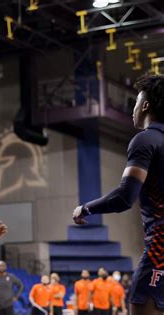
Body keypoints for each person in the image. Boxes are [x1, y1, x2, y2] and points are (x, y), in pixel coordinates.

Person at [72, 74, 164, 315]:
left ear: (145, 105)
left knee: (141, 305)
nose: (133, 107)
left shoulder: (146, 140)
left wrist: (86, 208)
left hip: (161, 246)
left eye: (135, 101)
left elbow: (125, 197)